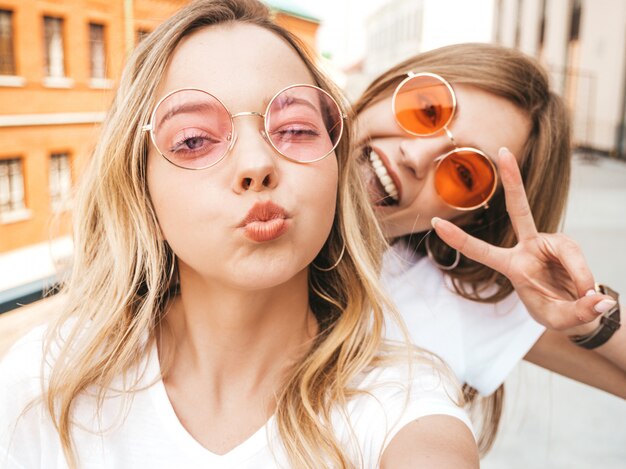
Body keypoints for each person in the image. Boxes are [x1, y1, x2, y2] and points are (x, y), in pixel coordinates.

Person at [0, 1, 478, 468]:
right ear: (140, 183)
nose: (256, 164)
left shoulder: (401, 400)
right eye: (193, 140)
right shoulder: (44, 382)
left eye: (295, 128)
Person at [354, 43, 625, 451]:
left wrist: (586, 312)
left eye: (464, 173)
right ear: (388, 87)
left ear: (469, 218)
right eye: (426, 110)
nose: (417, 154)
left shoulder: (447, 301)